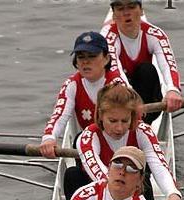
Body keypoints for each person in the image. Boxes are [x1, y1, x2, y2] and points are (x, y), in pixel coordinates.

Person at [74, 82, 183, 200]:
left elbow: (158, 165)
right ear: (101, 116)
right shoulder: (88, 137)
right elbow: (100, 174)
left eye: (125, 121)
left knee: (140, 173)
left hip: (133, 194)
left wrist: (173, 194)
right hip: (100, 198)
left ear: (132, 117)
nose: (119, 128)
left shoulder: (143, 131)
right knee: (72, 175)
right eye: (113, 121)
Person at [40, 31, 127, 159]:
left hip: (119, 145)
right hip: (87, 146)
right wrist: (49, 138)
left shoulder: (117, 84)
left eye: (92, 56)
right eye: (81, 57)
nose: (86, 62)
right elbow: (59, 115)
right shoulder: (72, 85)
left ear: (106, 59)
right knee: (80, 142)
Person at [102, 0, 182, 121]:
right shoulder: (108, 38)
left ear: (141, 11)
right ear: (114, 15)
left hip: (145, 101)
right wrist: (131, 99)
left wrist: (173, 90)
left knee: (147, 70)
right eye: (120, 9)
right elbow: (114, 70)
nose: (126, 13)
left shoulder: (155, 34)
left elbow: (168, 65)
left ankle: (144, 123)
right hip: (118, 98)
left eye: (131, 7)